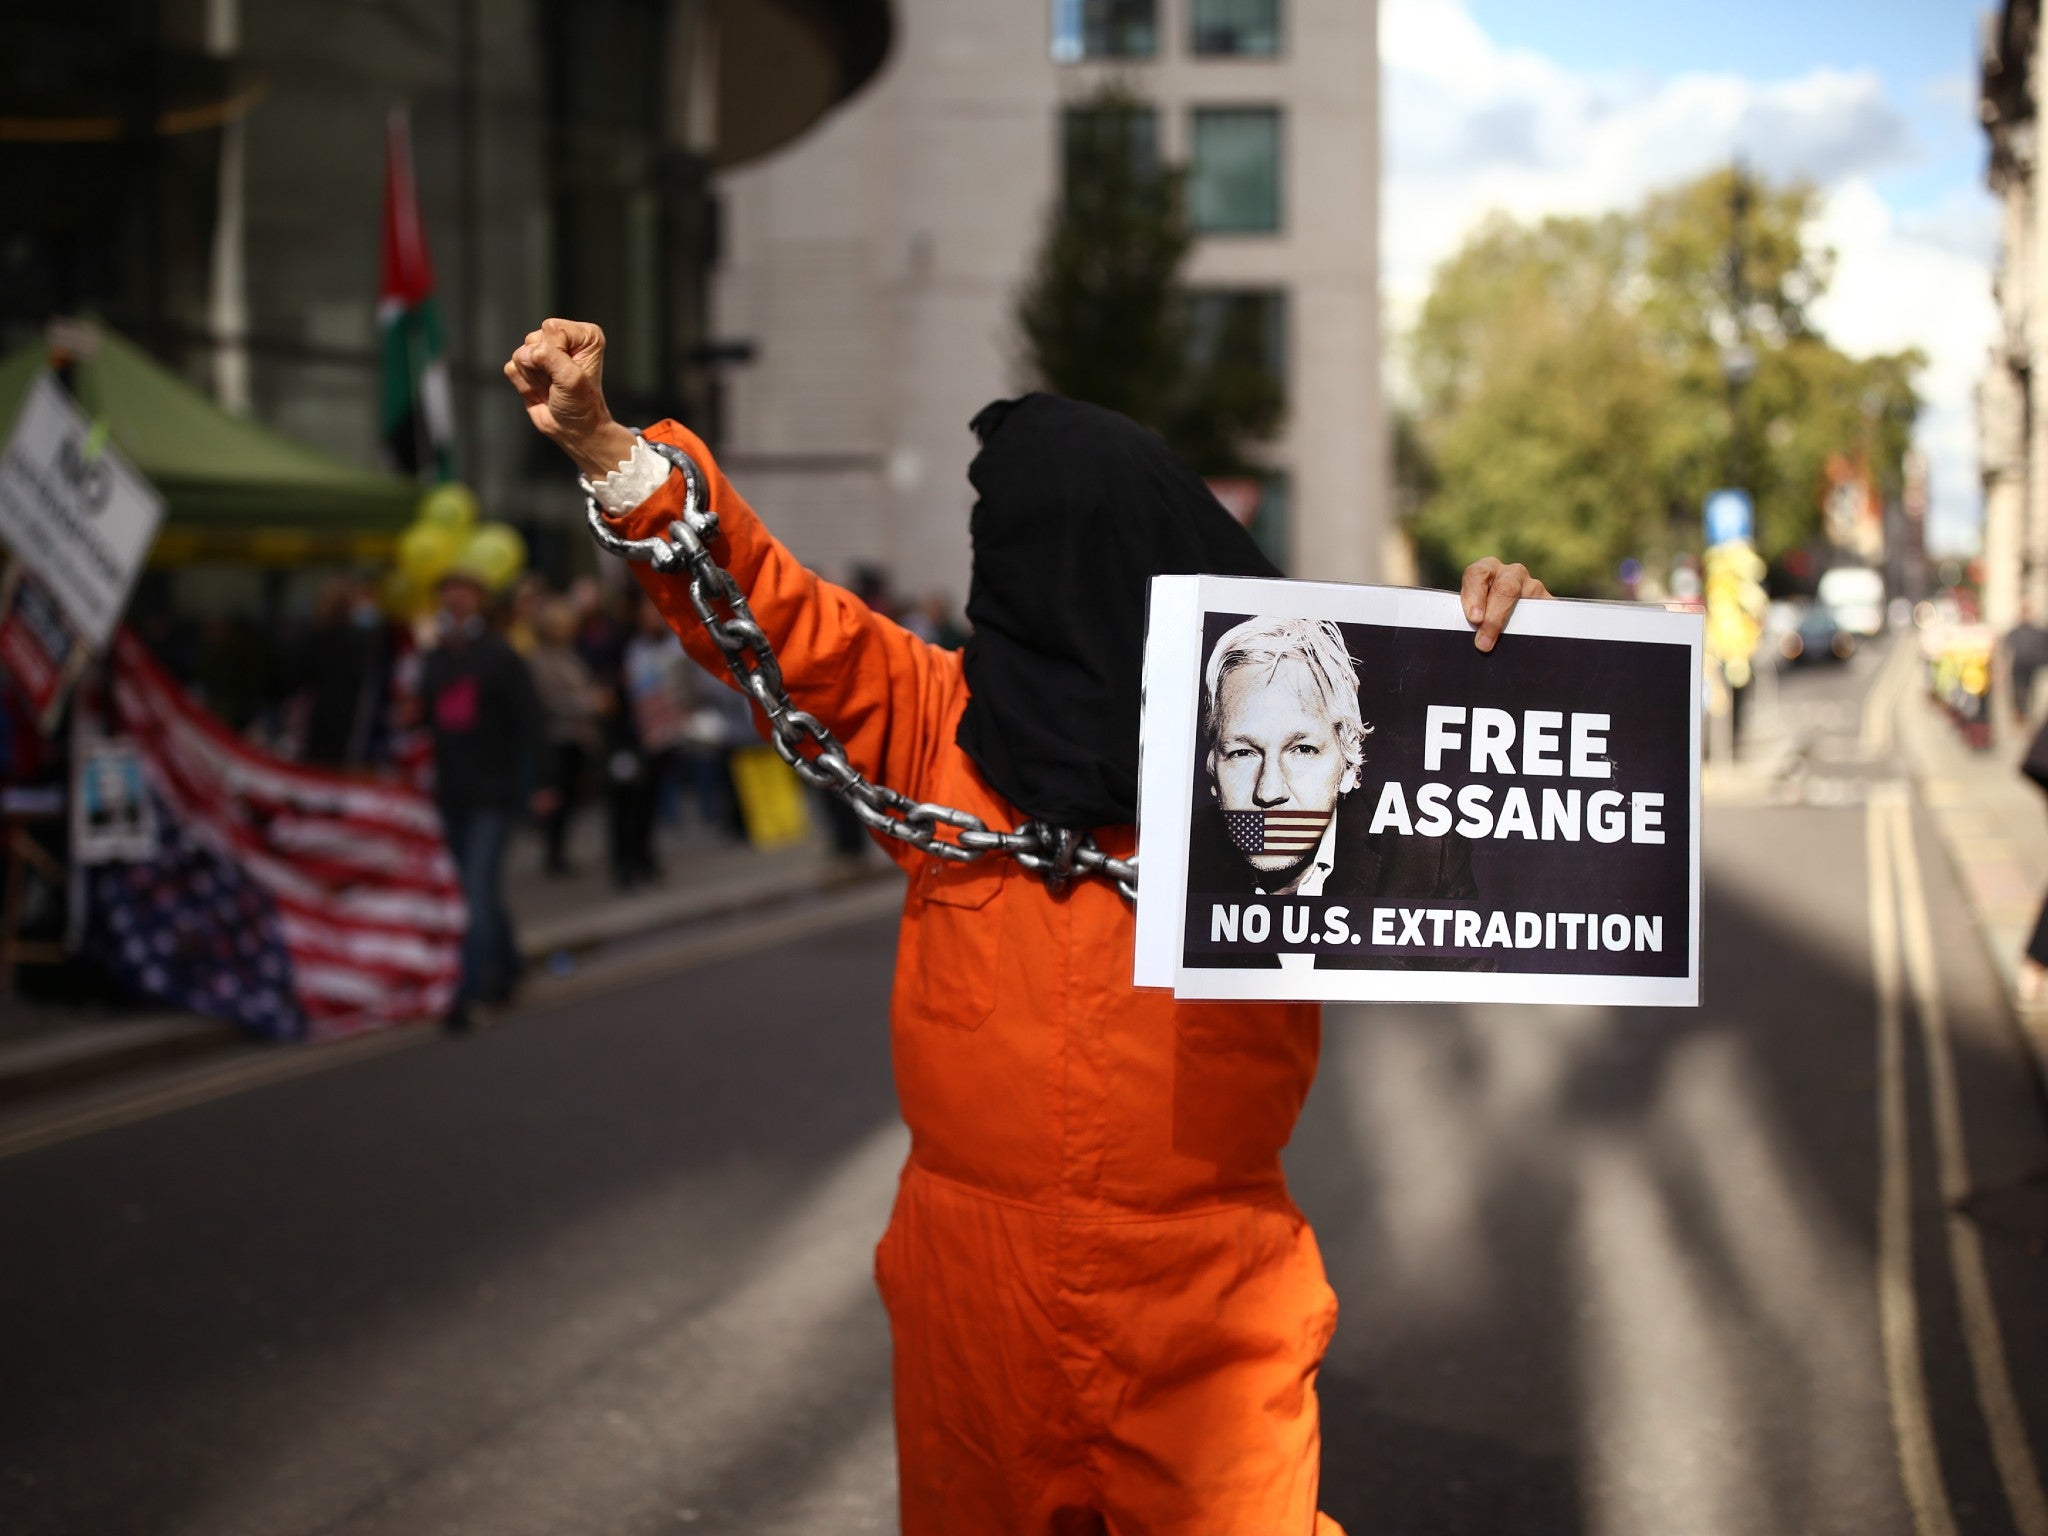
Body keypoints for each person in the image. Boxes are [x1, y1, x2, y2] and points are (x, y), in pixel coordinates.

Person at [505, 317, 1545, 1536]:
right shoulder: (934, 724)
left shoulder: (1277, 750)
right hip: (970, 1287)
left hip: (1204, 1289)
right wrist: (607, 448)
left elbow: (1494, 812)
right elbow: (771, 616)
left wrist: (1514, 662)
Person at [1182, 616, 1504, 971]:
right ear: (1213, 767)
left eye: (1302, 749)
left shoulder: (1426, 853)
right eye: (1243, 753)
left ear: (1348, 765)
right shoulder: (1180, 864)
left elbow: (1466, 1013)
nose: (1269, 790)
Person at [415, 563, 551, 1028]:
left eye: (463, 592)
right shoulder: (436, 656)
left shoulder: (499, 656)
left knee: (475, 890)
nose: (455, 601)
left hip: (493, 792)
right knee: (481, 891)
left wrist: (541, 785)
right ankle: (508, 965)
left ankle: (470, 992)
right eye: (447, 592)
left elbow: (532, 723)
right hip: (452, 791)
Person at [527, 595, 605, 876]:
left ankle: (560, 852)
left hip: (577, 736)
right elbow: (550, 700)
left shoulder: (568, 654)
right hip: (559, 736)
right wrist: (589, 705)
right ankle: (554, 854)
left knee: (570, 798)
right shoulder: (541, 660)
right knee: (558, 798)